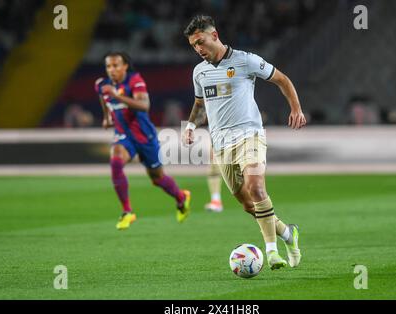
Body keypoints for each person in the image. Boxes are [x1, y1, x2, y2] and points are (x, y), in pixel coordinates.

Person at [183, 16, 306, 270]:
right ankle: (287, 234)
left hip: (250, 135)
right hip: (221, 144)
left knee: (256, 186)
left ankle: (271, 252)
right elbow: (199, 103)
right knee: (248, 204)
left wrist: (296, 108)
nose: (198, 49)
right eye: (194, 46)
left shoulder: (246, 60)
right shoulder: (199, 72)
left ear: (214, 35)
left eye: (201, 42)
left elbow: (282, 79)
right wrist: (191, 125)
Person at [95, 52, 191, 230]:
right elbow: (102, 96)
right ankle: (127, 212)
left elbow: (144, 106)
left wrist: (116, 96)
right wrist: (106, 117)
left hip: (144, 136)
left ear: (125, 66)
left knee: (157, 178)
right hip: (123, 136)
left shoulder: (135, 81)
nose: (112, 70)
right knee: (116, 161)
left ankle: (181, 197)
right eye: (108, 66)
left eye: (116, 65)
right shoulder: (102, 85)